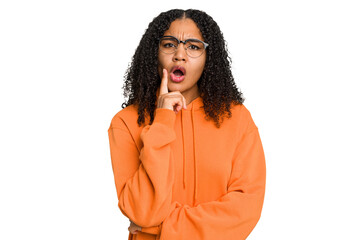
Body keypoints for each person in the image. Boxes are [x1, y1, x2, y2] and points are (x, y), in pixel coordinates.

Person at [107, 9, 266, 240]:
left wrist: (158, 228)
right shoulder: (126, 122)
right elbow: (142, 211)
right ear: (155, 52)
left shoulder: (238, 119)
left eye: (193, 46)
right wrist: (162, 122)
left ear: (208, 58)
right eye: (170, 44)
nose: (180, 54)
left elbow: (245, 211)